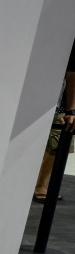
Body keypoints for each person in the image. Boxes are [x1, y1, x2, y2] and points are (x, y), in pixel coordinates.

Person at [34, 38, 75, 202]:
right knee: (56, 146)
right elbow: (72, 76)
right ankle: (40, 187)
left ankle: (40, 185)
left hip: (60, 105)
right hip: (62, 107)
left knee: (52, 146)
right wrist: (71, 109)